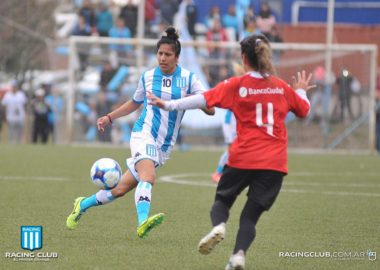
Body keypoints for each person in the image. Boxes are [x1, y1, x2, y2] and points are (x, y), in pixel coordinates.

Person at [148, 34, 313, 269]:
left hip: (243, 157)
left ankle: (219, 226)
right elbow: (304, 110)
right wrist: (302, 91)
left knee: (222, 202)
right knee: (250, 217)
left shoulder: (237, 85)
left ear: (244, 58)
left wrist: (168, 104)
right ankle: (238, 255)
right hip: (274, 164)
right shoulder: (281, 87)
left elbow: (202, 100)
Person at [66, 27, 214, 238]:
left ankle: (82, 204)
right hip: (143, 134)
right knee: (148, 177)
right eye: (160, 53)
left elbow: (210, 108)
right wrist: (109, 117)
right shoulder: (148, 77)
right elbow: (134, 103)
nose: (162, 58)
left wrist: (196, 100)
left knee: (119, 189)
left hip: (164, 146)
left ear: (177, 57)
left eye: (167, 54)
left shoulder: (189, 79)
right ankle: (142, 222)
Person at [212, 109, 236, 183]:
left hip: (236, 124)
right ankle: (218, 173)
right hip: (229, 124)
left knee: (236, 149)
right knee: (231, 149)